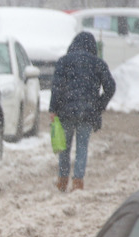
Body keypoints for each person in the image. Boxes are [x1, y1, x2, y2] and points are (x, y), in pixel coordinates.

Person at [49, 31, 116, 192]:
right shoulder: (98, 63)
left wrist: (53, 109)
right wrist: (98, 105)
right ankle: (78, 181)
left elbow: (56, 88)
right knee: (82, 147)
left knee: (64, 148)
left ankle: (62, 180)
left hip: (66, 112)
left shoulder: (64, 61)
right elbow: (110, 87)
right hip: (87, 112)